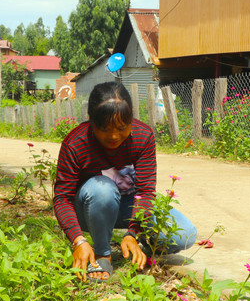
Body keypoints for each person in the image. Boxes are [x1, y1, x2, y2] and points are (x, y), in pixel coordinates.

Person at [53, 81, 197, 282]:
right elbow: (62, 198)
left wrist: (133, 233)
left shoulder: (143, 137)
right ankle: (103, 254)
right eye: (104, 129)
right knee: (101, 189)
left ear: (131, 120)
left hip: (127, 206)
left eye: (121, 127)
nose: (113, 136)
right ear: (90, 121)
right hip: (90, 209)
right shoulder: (76, 143)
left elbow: (146, 191)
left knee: (184, 234)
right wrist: (78, 240)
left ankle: (137, 244)